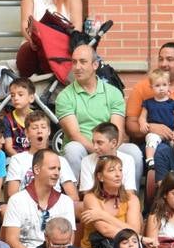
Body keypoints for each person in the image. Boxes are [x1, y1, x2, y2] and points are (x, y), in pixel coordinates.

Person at [55, 43, 139, 181]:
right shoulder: (64, 96)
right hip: (83, 147)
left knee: (134, 152)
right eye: (74, 62)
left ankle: (129, 196)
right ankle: (75, 198)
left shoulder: (113, 93)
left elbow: (117, 131)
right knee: (72, 149)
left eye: (83, 62)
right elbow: (74, 134)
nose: (77, 67)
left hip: (111, 146)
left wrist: (108, 151)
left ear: (95, 65)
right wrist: (98, 151)